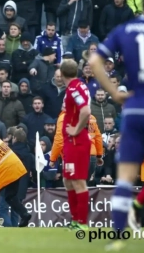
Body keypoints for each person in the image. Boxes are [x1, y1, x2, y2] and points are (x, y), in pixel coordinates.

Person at [88, 0, 144, 251]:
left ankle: (117, 238)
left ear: (143, 1)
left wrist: (114, 91)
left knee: (125, 175)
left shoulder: (127, 29)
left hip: (134, 108)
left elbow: (94, 61)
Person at [49, 59, 91, 231]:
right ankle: (75, 220)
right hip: (70, 142)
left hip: (76, 141)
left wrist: (76, 129)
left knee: (78, 181)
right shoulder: (77, 86)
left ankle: (82, 223)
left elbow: (86, 111)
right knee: (67, 180)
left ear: (62, 73)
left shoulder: (74, 88)